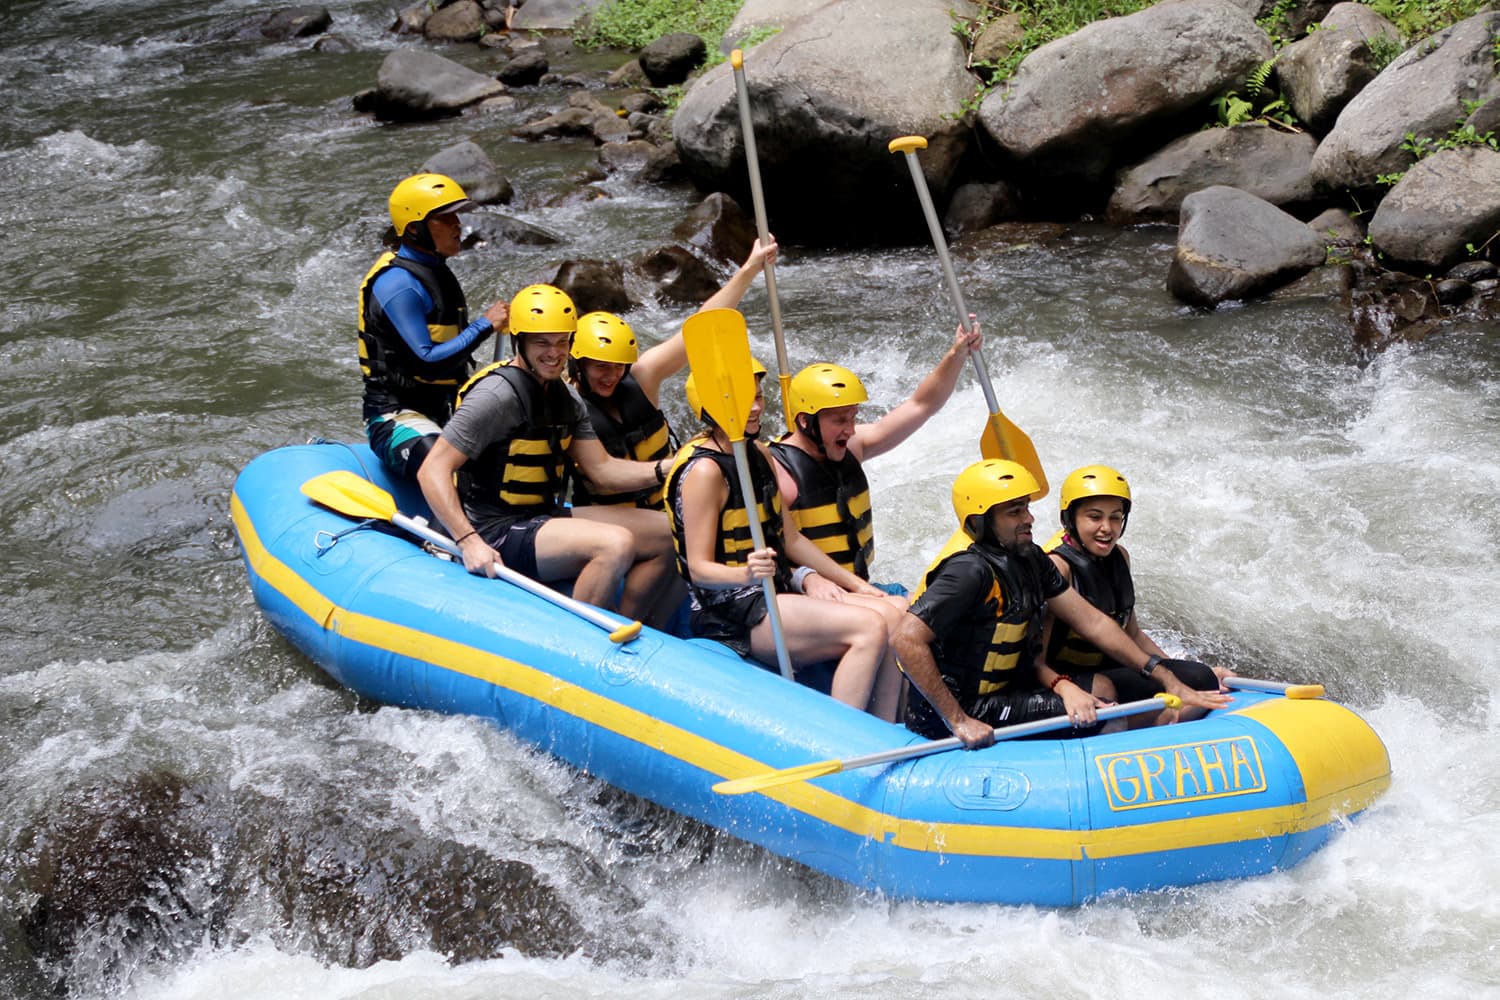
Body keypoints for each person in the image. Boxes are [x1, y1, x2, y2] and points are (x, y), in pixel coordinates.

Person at [891, 459, 1232, 748]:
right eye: (1015, 511)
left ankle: (1162, 723)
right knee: (1101, 718)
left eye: (1027, 507)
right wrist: (958, 720)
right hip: (961, 710)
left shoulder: (1030, 559)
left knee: (1120, 702)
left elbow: (1095, 623)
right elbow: (905, 639)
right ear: (980, 522)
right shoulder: (968, 572)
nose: (1029, 519)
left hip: (1003, 697)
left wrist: (1166, 676)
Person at [416, 284, 678, 626]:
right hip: (496, 529)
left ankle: (633, 630)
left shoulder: (566, 398)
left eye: (562, 342)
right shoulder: (496, 396)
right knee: (614, 544)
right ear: (520, 342)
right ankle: (580, 641)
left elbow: (603, 471)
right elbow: (432, 470)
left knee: (669, 530)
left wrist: (669, 468)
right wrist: (468, 541)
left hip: (542, 517)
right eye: (542, 343)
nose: (554, 353)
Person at [664, 359, 903, 720]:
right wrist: (745, 574)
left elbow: (791, 539)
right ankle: (844, 741)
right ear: (713, 405)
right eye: (744, 399)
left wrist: (857, 585)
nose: (757, 406)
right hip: (733, 612)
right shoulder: (705, 472)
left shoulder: (757, 454)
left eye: (758, 396)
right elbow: (698, 570)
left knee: (895, 615)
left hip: (776, 594)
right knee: (869, 627)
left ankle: (886, 731)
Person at [562, 241, 779, 625]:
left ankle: (659, 631)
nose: (611, 376)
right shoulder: (571, 405)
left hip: (656, 506)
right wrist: (674, 467)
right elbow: (603, 474)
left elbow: (699, 329)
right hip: (601, 513)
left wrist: (749, 270)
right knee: (671, 532)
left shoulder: (642, 377)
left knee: (693, 529)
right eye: (600, 368)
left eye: (617, 366)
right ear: (578, 364)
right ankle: (624, 620)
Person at [768, 320, 984, 590]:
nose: (850, 429)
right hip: (813, 598)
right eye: (839, 420)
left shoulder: (852, 447)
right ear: (804, 421)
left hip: (860, 587)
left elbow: (921, 406)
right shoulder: (777, 471)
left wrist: (957, 354)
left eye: (853, 417)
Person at [1039, 464, 1228, 723]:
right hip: (1070, 679)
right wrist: (1064, 687)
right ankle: (1157, 721)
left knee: (1201, 678)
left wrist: (1173, 674)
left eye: (1115, 517)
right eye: (1094, 517)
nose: (1107, 528)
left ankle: (1160, 716)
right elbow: (1036, 658)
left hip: (1109, 667)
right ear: (1069, 519)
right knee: (1103, 689)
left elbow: (1133, 635)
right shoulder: (1058, 568)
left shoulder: (1120, 558)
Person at [359, 173, 509, 479]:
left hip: (443, 413)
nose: (458, 225)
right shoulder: (398, 284)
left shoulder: (435, 271)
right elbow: (427, 363)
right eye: (445, 218)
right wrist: (484, 325)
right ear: (415, 228)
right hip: (395, 418)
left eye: (456, 215)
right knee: (449, 473)